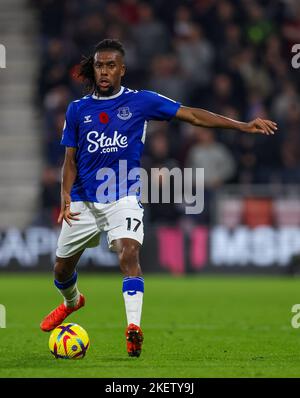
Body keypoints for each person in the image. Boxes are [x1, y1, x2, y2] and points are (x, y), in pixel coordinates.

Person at [40, 39, 277, 357]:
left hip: (122, 195)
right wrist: (65, 195)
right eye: (99, 65)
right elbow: (70, 159)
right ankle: (72, 302)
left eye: (111, 65)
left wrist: (242, 126)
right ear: (93, 69)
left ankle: (133, 329)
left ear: (122, 69)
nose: (105, 71)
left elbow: (192, 115)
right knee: (60, 270)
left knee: (129, 255)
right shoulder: (77, 109)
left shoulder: (142, 102)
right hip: (83, 198)